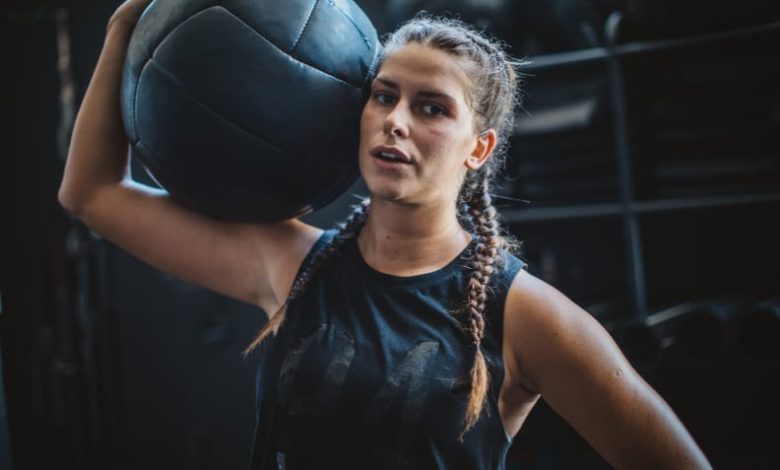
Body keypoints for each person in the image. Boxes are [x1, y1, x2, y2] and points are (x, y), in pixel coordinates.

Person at [59, 0, 713, 468]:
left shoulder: (526, 316)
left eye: (430, 108)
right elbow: (91, 193)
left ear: (478, 147)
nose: (395, 120)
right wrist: (129, 25)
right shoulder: (294, 265)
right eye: (382, 96)